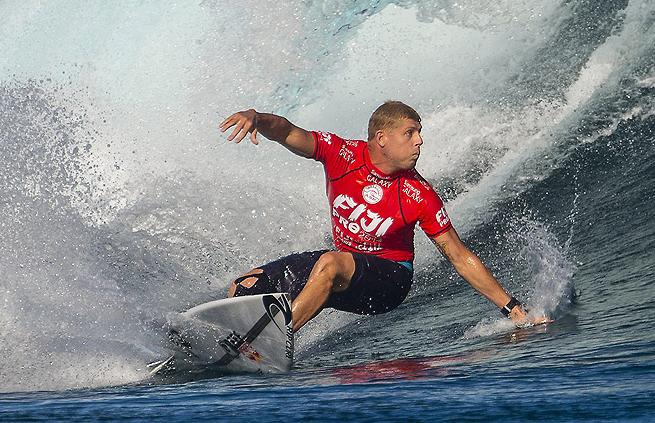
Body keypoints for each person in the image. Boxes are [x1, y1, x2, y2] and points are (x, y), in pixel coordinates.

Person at [219, 100, 543, 331]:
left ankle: (273, 337)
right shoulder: (341, 155)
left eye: (419, 133)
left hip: (389, 282)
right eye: (410, 133)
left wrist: (511, 307)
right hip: (347, 265)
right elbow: (289, 132)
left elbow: (459, 256)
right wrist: (257, 118)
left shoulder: (419, 194)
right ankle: (224, 341)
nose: (419, 141)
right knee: (245, 285)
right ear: (382, 139)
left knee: (331, 263)